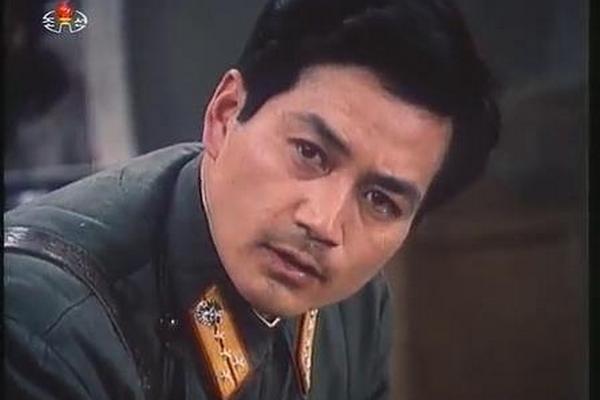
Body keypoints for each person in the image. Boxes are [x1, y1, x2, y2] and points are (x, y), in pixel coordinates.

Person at [4, 0, 500, 399]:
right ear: (225, 114)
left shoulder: (359, 309)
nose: (324, 223)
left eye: (380, 200)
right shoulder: (42, 323)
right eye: (309, 153)